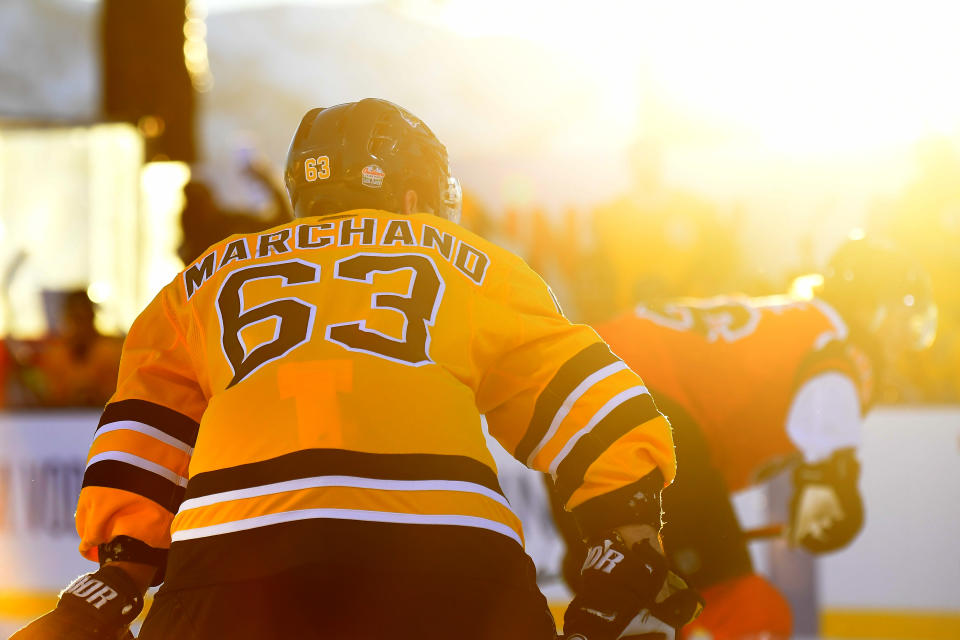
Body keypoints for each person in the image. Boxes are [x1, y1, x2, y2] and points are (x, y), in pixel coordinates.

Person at [13, 98, 700, 640]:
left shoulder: (199, 281)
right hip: (442, 560)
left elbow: (144, 433)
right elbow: (591, 402)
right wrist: (628, 533)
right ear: (414, 195)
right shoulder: (465, 260)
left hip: (231, 568)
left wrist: (121, 575)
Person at [550, 236, 937, 639]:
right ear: (869, 304)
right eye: (901, 311)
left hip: (574, 398)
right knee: (741, 607)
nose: (903, 339)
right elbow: (831, 380)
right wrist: (830, 476)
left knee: (628, 604)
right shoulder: (842, 339)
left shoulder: (790, 319)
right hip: (643, 408)